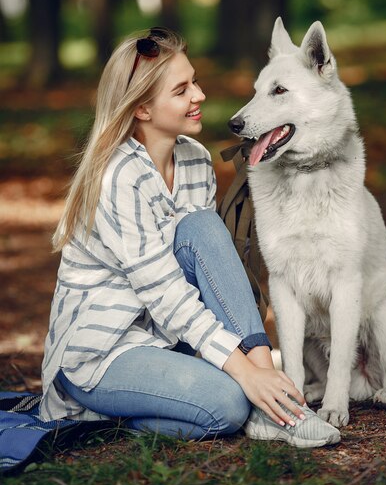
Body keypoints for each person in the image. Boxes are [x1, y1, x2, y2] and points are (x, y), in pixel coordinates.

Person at [40, 28, 340, 447]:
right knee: (229, 405)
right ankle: (95, 411)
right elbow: (165, 292)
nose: (199, 95)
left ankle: (277, 399)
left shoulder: (195, 161)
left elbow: (205, 264)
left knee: (202, 227)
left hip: (164, 338)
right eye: (181, 90)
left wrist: (257, 369)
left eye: (194, 81)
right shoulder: (118, 177)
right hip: (100, 353)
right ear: (142, 109)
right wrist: (243, 374)